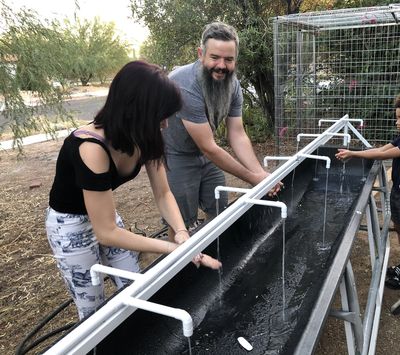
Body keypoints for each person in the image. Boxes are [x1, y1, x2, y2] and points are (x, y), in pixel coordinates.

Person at [46, 61, 221, 319]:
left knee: (136, 288)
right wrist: (172, 248)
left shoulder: (145, 136)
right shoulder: (90, 147)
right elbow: (106, 233)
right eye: (161, 117)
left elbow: (163, 193)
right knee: (93, 310)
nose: (165, 125)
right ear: (137, 112)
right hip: (70, 226)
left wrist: (182, 235)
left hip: (106, 216)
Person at [162, 22, 281, 235]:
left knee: (218, 206)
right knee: (180, 222)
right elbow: (209, 146)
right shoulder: (186, 86)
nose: (221, 66)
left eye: (229, 59)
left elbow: (237, 133)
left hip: (205, 152)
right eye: (215, 57)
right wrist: (253, 179)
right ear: (201, 54)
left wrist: (260, 174)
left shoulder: (233, 85)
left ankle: (214, 252)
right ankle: (180, 264)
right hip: (175, 153)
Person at [335, 88, 400, 289]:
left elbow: (382, 156)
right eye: (397, 118)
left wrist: (354, 154)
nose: (398, 122)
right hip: (399, 191)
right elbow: (379, 149)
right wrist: (356, 151)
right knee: (399, 229)